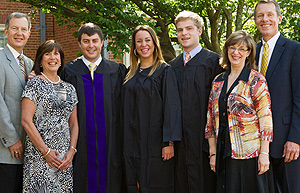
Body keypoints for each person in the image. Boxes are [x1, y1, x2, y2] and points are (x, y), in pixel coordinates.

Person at [60, 23, 127, 193]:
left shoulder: (116, 71)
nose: (91, 45)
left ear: (102, 42)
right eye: (86, 41)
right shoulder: (68, 71)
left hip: (111, 140)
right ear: (79, 44)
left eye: (95, 41)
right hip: (80, 141)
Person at [205, 30, 273, 193]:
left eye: (242, 49)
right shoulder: (218, 81)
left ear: (249, 53)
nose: (236, 52)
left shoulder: (255, 79)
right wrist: (213, 153)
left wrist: (264, 153)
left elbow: (265, 118)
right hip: (223, 152)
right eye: (232, 47)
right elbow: (210, 121)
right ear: (226, 49)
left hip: (249, 154)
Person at [122, 25, 182, 193]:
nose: (143, 44)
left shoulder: (164, 71)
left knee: (155, 183)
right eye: (139, 41)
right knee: (134, 184)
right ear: (134, 46)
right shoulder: (129, 73)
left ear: (155, 43)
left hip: (155, 143)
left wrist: (168, 142)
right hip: (131, 142)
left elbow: (172, 107)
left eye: (147, 40)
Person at [169, 11, 223, 193]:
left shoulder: (214, 61)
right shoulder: (172, 66)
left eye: (189, 29)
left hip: (205, 141)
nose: (184, 33)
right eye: (180, 30)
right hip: (181, 142)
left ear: (199, 31)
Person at [254, 1, 300, 192]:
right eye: (260, 16)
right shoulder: (251, 51)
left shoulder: (294, 49)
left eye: (270, 15)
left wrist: (295, 139)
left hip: (286, 142)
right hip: (257, 142)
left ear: (279, 18)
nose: (265, 19)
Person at [21, 40, 78, 192]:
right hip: (40, 156)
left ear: (61, 60)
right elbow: (26, 121)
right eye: (47, 54)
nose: (52, 57)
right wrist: (45, 151)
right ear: (40, 60)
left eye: (56, 54)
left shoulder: (70, 88)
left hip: (64, 159)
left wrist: (71, 151)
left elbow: (73, 124)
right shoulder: (34, 84)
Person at [0, 12, 33, 193]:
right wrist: (12, 140)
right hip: (5, 150)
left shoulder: (30, 64)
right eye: (15, 28)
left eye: (23, 29)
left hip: (27, 151)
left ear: (29, 33)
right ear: (6, 31)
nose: (19, 33)